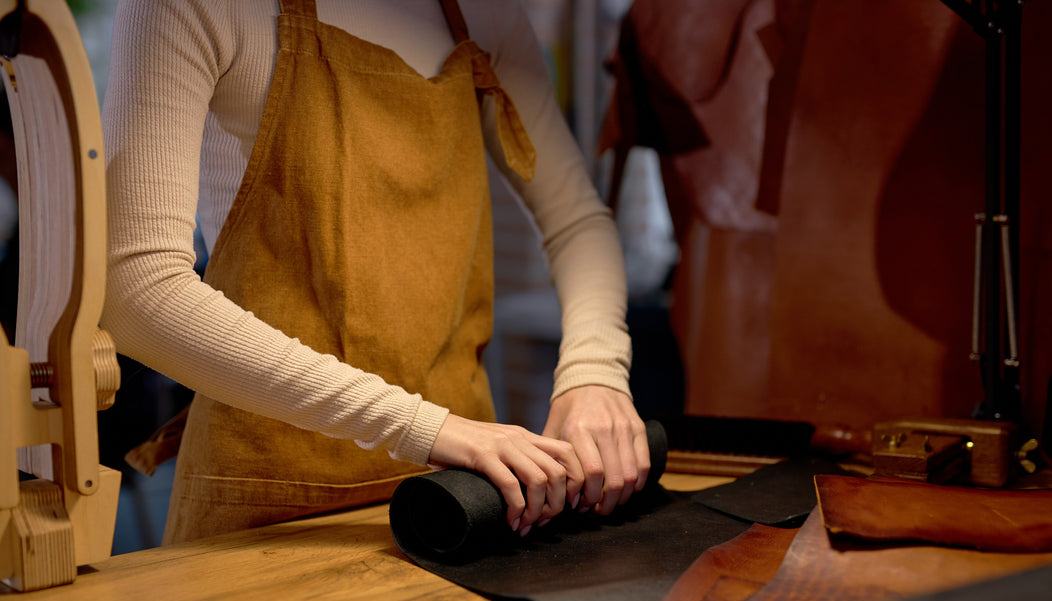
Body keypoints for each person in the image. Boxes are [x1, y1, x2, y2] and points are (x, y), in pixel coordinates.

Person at [101, 0, 650, 545]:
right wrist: (427, 430)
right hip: (272, 500)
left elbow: (577, 220)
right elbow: (139, 290)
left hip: (463, 499)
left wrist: (595, 370)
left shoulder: (486, 13)